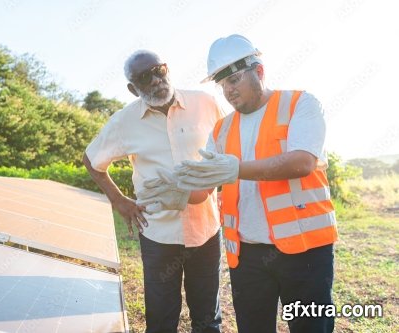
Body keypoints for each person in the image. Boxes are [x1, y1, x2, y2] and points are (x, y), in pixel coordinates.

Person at [172, 35, 338, 332]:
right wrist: (175, 191)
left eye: (234, 80)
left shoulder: (300, 104)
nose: (228, 91)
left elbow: (302, 162)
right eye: (222, 85)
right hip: (247, 256)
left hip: (305, 251)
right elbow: (203, 192)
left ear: (258, 72)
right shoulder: (222, 129)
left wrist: (235, 168)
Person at [83, 50, 225, 333]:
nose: (155, 80)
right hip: (159, 232)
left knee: (207, 318)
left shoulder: (205, 103)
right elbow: (92, 159)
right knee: (161, 319)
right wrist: (118, 200)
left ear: (167, 68)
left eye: (158, 70)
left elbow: (228, 148)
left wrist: (213, 187)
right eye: (144, 77)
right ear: (132, 88)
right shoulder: (124, 122)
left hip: (206, 229)